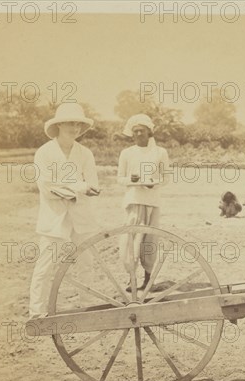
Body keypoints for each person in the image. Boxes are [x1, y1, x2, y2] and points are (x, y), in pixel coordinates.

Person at [28, 103, 100, 318]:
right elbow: (47, 188)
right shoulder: (45, 153)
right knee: (45, 266)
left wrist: (70, 188)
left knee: (86, 262)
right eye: (70, 123)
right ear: (58, 125)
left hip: (81, 216)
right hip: (54, 217)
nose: (75, 128)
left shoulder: (85, 153)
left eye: (78, 124)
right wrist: (79, 186)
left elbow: (93, 186)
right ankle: (36, 311)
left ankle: (87, 306)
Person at [117, 114, 169, 291]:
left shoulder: (160, 152)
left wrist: (153, 182)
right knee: (131, 239)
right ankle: (131, 278)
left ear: (149, 132)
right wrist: (131, 179)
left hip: (152, 201)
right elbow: (120, 178)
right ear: (132, 134)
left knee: (150, 240)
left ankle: (148, 279)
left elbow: (166, 177)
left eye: (142, 131)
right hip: (133, 200)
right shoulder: (127, 153)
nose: (139, 134)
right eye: (135, 131)